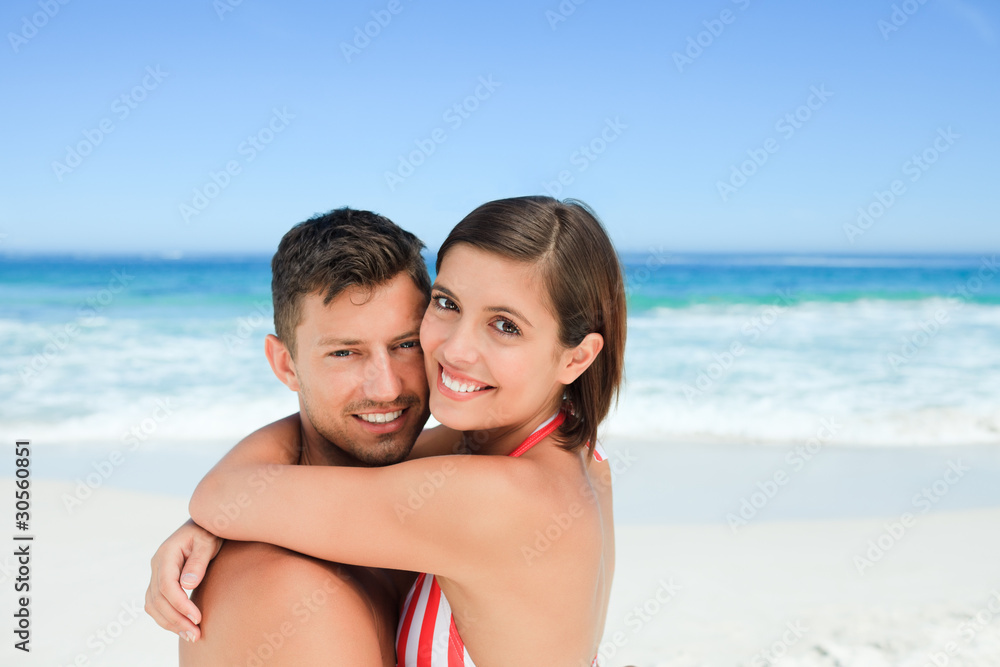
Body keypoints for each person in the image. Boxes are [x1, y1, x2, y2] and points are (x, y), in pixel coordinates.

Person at [152, 195, 627, 665]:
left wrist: (212, 519)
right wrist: (214, 522)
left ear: (577, 357)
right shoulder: (561, 447)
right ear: (286, 363)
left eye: (505, 325)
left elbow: (222, 493)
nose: (456, 350)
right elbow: (243, 494)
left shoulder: (496, 495)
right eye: (447, 303)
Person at [145, 206, 434, 665]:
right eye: (344, 352)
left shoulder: (436, 490)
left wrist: (222, 507)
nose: (388, 387)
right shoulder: (293, 597)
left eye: (406, 345)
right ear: (285, 365)